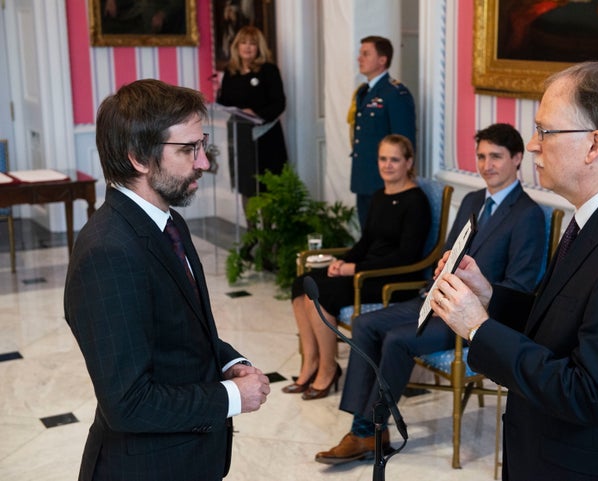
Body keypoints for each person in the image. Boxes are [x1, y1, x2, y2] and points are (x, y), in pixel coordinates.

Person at [431, 62, 598, 480]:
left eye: (545, 131)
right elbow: (563, 319)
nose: (533, 145)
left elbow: (587, 393)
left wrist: (479, 329)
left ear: (594, 144)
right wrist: (490, 298)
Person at [64, 79, 271, 481]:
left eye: (202, 145)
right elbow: (127, 403)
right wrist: (231, 397)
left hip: (189, 459)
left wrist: (230, 362)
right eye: (187, 149)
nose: (204, 162)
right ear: (139, 158)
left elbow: (181, 328)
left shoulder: (169, 223)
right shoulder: (109, 252)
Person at [315, 123, 547, 464]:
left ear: (517, 159)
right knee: (365, 324)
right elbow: (453, 251)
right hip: (434, 297)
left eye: (496, 157)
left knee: (396, 340)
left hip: (473, 316)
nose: (486, 165)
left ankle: (365, 432)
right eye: (481, 156)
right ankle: (368, 428)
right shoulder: (472, 199)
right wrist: (443, 268)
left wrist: (466, 296)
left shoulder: (528, 215)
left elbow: (520, 287)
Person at [284, 134, 431, 401]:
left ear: (408, 163)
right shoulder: (379, 196)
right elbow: (366, 241)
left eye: (394, 160)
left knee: (324, 293)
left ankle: (329, 370)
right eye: (383, 159)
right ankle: (311, 363)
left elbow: (406, 256)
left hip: (393, 278)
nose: (387, 165)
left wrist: (355, 268)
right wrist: (344, 261)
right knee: (301, 283)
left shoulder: (415, 201)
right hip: (365, 271)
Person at [217, 26, 288, 215]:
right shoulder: (231, 72)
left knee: (267, 187)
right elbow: (224, 102)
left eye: (253, 43)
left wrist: (255, 114)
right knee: (246, 185)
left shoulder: (269, 70)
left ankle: (270, 236)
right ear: (237, 46)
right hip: (241, 136)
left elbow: (279, 103)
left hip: (266, 137)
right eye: (243, 43)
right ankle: (252, 233)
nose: (248, 47)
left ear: (259, 47)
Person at [349, 35, 416, 228]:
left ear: (382, 59)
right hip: (364, 178)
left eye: (366, 54)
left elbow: (404, 142)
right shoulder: (364, 92)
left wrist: (400, 181)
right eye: (360, 54)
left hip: (385, 182)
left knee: (383, 239)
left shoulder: (395, 93)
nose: (359, 58)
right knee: (367, 235)